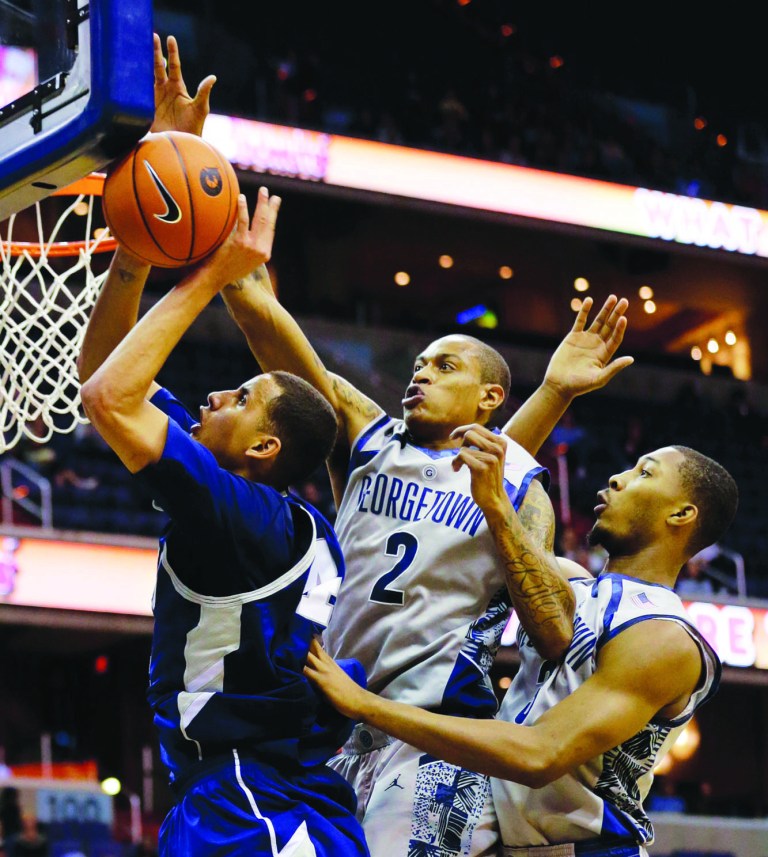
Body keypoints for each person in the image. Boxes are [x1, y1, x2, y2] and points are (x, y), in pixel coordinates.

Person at [222, 258, 633, 855]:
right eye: (418, 366)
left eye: (445, 366)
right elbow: (296, 374)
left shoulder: (520, 487)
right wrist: (239, 286)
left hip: (433, 739)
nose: (421, 375)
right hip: (328, 721)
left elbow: (553, 631)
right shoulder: (371, 439)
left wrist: (500, 503)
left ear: (490, 396)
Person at [75, 35, 369, 857]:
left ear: (266, 446)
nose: (213, 395)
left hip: (257, 803)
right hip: (257, 793)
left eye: (239, 396)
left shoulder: (239, 512)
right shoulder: (261, 512)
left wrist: (203, 276)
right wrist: (141, 243)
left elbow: (107, 396)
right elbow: (105, 374)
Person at [304, 439, 738, 857]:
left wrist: (365, 704)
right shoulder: (568, 585)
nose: (617, 478)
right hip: (507, 840)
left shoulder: (664, 637)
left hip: (590, 850)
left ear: (681, 513)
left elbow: (539, 753)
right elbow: (482, 496)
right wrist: (555, 391)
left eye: (645, 472)